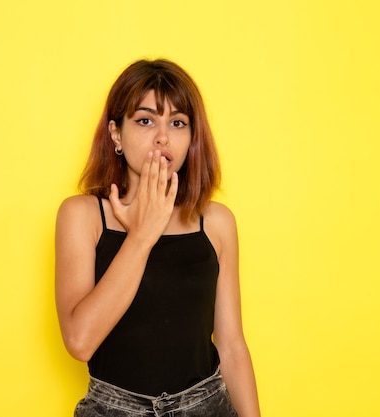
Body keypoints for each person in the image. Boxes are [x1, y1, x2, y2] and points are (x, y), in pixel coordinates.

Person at [55, 58, 260, 417]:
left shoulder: (216, 223)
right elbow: (80, 341)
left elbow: (231, 346)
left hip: (207, 406)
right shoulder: (82, 215)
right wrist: (142, 234)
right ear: (116, 134)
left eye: (178, 123)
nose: (163, 136)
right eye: (146, 120)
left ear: (192, 137)